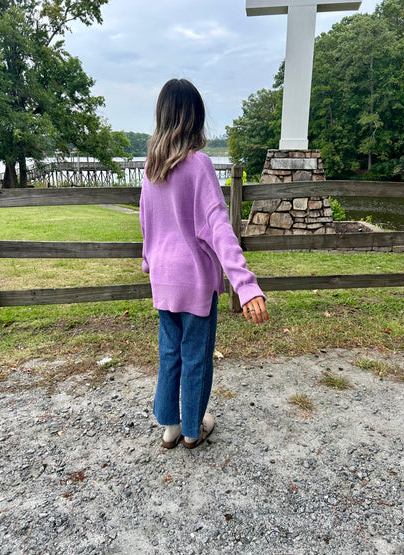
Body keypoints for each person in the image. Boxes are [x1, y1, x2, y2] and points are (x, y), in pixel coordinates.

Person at [140, 78, 269, 450]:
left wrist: (150, 263)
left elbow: (146, 224)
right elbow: (219, 227)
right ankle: (194, 429)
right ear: (194, 118)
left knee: (169, 353)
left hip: (163, 280)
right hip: (194, 280)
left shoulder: (151, 169)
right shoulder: (199, 166)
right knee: (196, 356)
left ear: (162, 116)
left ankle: (170, 427)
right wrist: (246, 286)